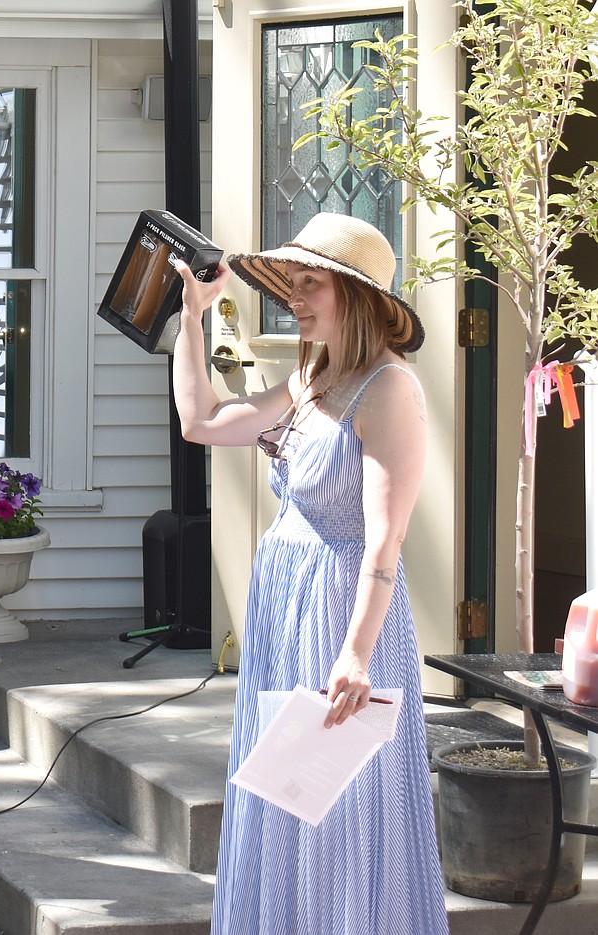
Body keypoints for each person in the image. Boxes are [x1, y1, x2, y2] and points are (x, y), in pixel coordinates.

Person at [171, 213, 448, 934]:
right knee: (289, 801)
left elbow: (385, 542)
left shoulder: (388, 390)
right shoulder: (311, 381)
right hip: (283, 617)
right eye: (291, 282)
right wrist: (191, 321)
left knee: (344, 811)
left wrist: (356, 653)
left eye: (309, 282)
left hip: (341, 620)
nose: (294, 296)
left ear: (357, 295)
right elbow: (200, 421)